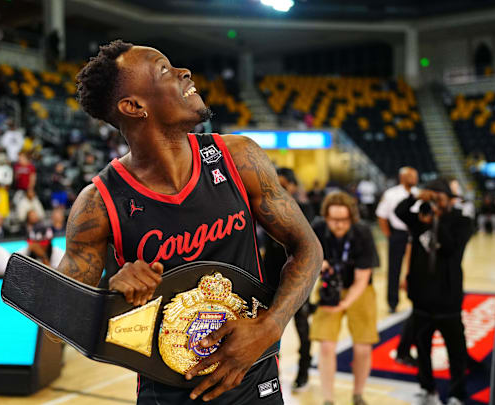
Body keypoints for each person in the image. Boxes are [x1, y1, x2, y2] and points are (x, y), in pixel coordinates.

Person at [56, 40, 322, 404]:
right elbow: (57, 324)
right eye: (164, 70)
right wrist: (109, 290)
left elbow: (308, 247)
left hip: (252, 379)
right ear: (134, 106)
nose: (185, 72)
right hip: (165, 392)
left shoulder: (238, 157)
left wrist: (271, 327)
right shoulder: (99, 204)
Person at [394, 179, 473, 405]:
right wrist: (418, 197)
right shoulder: (420, 219)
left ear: (450, 199)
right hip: (421, 298)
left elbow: (450, 248)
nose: (436, 202)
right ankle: (426, 386)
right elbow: (400, 211)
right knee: (422, 346)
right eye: (434, 197)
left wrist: (436, 219)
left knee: (455, 349)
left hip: (448, 298)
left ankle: (457, 392)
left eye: (440, 197)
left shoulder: (462, 222)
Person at [310, 192, 379, 405]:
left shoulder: (362, 233)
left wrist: (345, 303)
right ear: (326, 217)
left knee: (363, 347)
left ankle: (358, 394)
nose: (338, 225)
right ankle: (328, 399)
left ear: (352, 218)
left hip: (360, 290)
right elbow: (305, 257)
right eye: (333, 220)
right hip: (330, 287)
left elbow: (362, 277)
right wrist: (318, 265)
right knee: (326, 346)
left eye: (343, 220)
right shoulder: (318, 229)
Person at [263, 167, 314, 391]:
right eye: (277, 183)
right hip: (270, 277)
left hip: (297, 277)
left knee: (303, 329)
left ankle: (303, 372)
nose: (280, 188)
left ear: (293, 186)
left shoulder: (304, 209)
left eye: (284, 184)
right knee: (270, 330)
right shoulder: (264, 206)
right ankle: (273, 373)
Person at [376, 167, 418, 315]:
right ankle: (392, 303)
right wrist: (389, 234)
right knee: (394, 269)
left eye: (415, 175)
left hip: (416, 234)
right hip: (398, 233)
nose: (414, 178)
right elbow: (381, 215)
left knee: (416, 268)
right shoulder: (391, 194)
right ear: (402, 177)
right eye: (411, 175)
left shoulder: (419, 194)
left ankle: (416, 300)